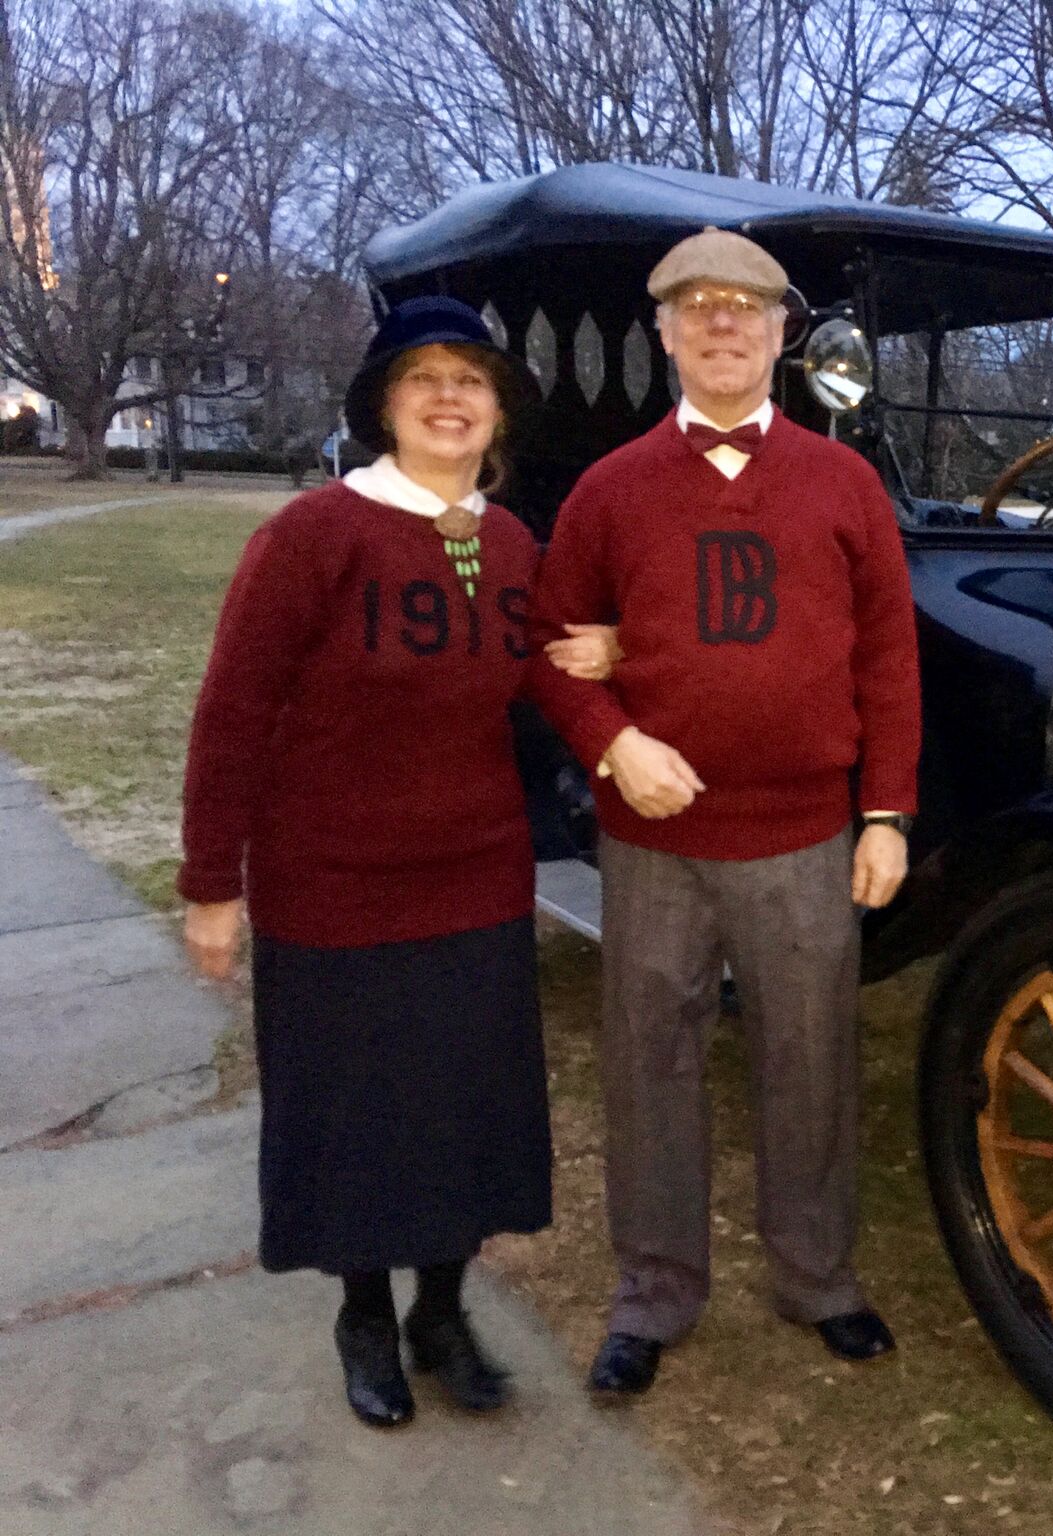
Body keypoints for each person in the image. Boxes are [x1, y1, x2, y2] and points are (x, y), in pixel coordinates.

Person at [178, 297, 616, 1429]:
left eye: (469, 377)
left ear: (495, 410)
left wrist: (625, 671)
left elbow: (547, 673)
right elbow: (231, 714)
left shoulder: (510, 542)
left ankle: (442, 1312)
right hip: (331, 882)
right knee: (358, 1116)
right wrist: (210, 886)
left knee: (463, 1108)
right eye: (420, 377)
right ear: (383, 406)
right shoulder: (314, 536)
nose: (446, 396)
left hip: (471, 877)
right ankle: (364, 1317)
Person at [527, 229, 921, 1396]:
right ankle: (653, 1290)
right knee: (653, 1064)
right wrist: (613, 742)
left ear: (780, 334)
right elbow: (551, 653)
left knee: (810, 1060)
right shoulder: (611, 488)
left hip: (804, 838)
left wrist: (886, 814)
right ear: (663, 332)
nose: (721, 326)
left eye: (745, 308)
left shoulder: (843, 483)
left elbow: (890, 660)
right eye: (695, 308)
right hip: (653, 843)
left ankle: (815, 1277)